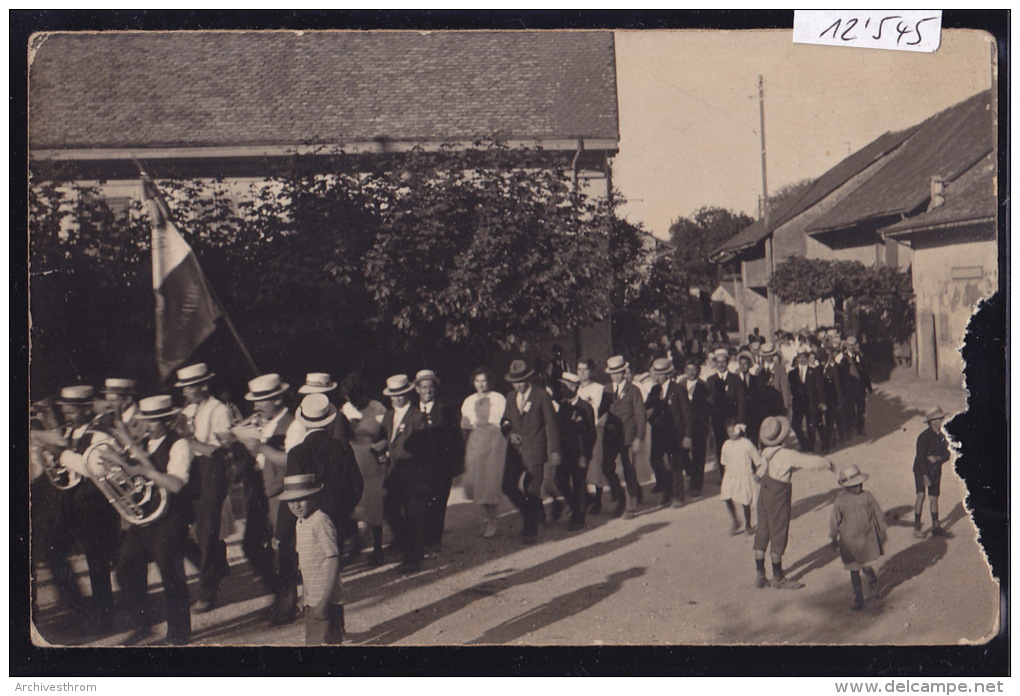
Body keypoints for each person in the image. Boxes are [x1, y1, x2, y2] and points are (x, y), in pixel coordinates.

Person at [102, 395, 193, 645]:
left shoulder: (179, 444)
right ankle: (144, 624)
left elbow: (175, 484)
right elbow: (132, 477)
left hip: (169, 520)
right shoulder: (143, 443)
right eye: (145, 420)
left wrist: (143, 470)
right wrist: (117, 462)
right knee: (125, 569)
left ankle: (179, 633)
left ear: (166, 421)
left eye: (153, 421)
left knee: (171, 577)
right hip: (143, 519)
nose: (147, 425)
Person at [34, 385, 120, 633]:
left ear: (85, 409)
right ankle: (77, 609)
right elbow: (63, 469)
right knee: (53, 551)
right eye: (65, 410)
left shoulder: (100, 436)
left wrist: (60, 454)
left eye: (72, 410)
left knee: (97, 562)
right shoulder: (69, 431)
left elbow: (94, 469)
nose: (67, 415)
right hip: (70, 504)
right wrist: (50, 456)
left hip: (94, 506)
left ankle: (104, 620)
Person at [233, 373, 306, 622]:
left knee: (285, 550)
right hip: (260, 494)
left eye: (261, 400)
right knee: (251, 545)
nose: (256, 406)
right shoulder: (259, 422)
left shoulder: (293, 424)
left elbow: (294, 460)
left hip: (283, 493)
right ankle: (279, 592)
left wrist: (262, 448)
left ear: (277, 399)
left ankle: (286, 603)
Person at [753, 415, 836, 590]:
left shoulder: (765, 452)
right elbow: (808, 462)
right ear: (783, 436)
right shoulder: (787, 454)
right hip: (778, 495)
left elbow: (759, 473)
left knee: (763, 530)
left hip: (764, 494)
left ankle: (760, 573)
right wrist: (826, 462)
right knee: (778, 532)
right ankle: (778, 577)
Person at [174, 363, 232, 613]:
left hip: (211, 472)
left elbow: (219, 451)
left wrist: (187, 438)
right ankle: (218, 565)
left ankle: (207, 592)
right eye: (184, 387)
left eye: (189, 387)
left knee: (206, 533)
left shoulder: (219, 410)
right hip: (190, 473)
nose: (185, 391)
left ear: (204, 385)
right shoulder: (187, 410)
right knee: (183, 530)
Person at [282, 394, 364, 565]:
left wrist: (283, 529)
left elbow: (293, 493)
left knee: (315, 565)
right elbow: (357, 484)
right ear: (328, 421)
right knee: (334, 561)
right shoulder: (342, 447)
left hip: (310, 519)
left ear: (303, 422)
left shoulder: (297, 453)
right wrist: (346, 508)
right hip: (339, 515)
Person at [279, 474, 345, 645]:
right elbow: (307, 566)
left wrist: (325, 600)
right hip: (313, 597)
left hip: (325, 597)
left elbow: (333, 559)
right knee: (315, 639)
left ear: (314, 497)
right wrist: (304, 595)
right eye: (291, 501)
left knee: (325, 641)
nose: (296, 505)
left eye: (302, 499)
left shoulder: (320, 520)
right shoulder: (301, 522)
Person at [500, 359, 561, 544]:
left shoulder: (541, 395)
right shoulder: (510, 397)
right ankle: (532, 513)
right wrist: (510, 434)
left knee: (531, 488)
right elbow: (504, 421)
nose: (518, 385)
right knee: (507, 485)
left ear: (529, 379)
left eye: (521, 381)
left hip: (535, 448)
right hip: (515, 451)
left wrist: (555, 450)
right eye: (514, 382)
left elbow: (552, 424)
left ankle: (530, 529)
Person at [337, 372, 388, 565]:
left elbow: (386, 434)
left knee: (374, 501)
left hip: (372, 458)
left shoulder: (377, 408)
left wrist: (380, 446)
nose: (351, 401)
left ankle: (377, 547)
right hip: (351, 458)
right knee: (352, 500)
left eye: (353, 397)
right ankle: (354, 541)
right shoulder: (346, 409)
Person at [380, 374, 429, 573]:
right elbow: (383, 438)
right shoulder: (388, 415)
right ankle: (403, 542)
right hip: (393, 471)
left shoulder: (417, 417)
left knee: (413, 515)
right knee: (389, 509)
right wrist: (381, 452)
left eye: (400, 394)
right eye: (393, 395)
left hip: (412, 473)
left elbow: (425, 449)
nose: (396, 398)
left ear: (407, 393)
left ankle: (414, 557)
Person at [415, 369, 464, 555]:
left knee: (437, 503)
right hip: (419, 468)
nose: (428, 390)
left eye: (430, 387)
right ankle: (422, 540)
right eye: (424, 387)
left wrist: (456, 464)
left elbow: (457, 438)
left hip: (440, 467)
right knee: (421, 504)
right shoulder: (412, 411)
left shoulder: (445, 410)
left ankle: (434, 541)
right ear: (417, 390)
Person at [829, 464, 886, 611]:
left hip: (867, 538)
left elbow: (877, 513)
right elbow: (835, 519)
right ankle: (858, 597)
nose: (858, 486)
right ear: (846, 487)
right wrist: (833, 537)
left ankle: (873, 586)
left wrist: (882, 530)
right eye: (854, 485)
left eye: (860, 483)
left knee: (866, 567)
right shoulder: (841, 500)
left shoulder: (867, 496)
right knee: (854, 570)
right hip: (849, 541)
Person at [460, 367, 508, 538]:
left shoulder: (498, 398)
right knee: (475, 480)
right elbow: (465, 425)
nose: (481, 384)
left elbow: (502, 421)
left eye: (484, 381)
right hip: (476, 441)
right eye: (477, 381)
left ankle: (493, 521)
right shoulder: (468, 400)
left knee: (490, 481)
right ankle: (486, 517)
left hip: (493, 440)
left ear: (489, 382)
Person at [603, 355, 646, 519]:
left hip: (628, 437)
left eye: (619, 372)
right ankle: (620, 497)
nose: (616, 376)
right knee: (606, 466)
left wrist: (639, 438)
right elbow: (603, 411)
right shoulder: (606, 389)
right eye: (613, 373)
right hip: (611, 436)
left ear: (623, 372)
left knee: (629, 470)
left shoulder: (633, 390)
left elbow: (640, 415)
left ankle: (630, 506)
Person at [555, 372, 596, 531]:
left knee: (579, 484)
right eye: (562, 385)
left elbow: (591, 434)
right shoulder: (563, 405)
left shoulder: (586, 407)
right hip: (565, 452)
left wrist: (585, 455)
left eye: (566, 385)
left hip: (579, 453)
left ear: (575, 387)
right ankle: (576, 505)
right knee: (559, 480)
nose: (563, 389)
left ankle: (578, 518)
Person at [645, 357, 684, 507]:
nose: (657, 376)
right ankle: (667, 490)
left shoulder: (677, 389)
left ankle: (679, 496)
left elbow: (685, 413)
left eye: (661, 373)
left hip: (674, 433)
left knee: (675, 464)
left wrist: (686, 435)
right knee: (655, 460)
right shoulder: (655, 390)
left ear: (668, 374)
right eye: (656, 373)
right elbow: (647, 407)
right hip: (658, 432)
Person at [913, 406, 953, 539]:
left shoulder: (941, 437)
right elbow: (920, 459)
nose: (942, 420)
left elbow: (947, 454)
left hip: (935, 470)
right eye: (940, 418)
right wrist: (924, 475)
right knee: (921, 496)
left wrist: (938, 458)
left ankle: (936, 526)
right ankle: (917, 527)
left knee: (934, 498)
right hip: (921, 469)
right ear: (932, 421)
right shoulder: (923, 437)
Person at [577, 358, 610, 514]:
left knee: (596, 464)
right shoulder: (577, 389)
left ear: (591, 371)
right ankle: (584, 500)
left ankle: (597, 500)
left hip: (595, 429)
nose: (581, 373)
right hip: (579, 432)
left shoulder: (599, 389)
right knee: (580, 465)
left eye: (585, 370)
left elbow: (603, 410)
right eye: (579, 370)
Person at [676, 357, 711, 499]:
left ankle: (696, 485)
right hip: (683, 426)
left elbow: (709, 405)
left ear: (698, 371)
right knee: (682, 454)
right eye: (688, 370)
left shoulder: (704, 386)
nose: (691, 373)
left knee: (698, 455)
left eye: (694, 370)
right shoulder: (680, 384)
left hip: (699, 425)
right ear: (685, 371)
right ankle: (690, 472)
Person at [719, 419, 762, 536]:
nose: (731, 434)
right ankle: (735, 520)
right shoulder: (726, 445)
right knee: (726, 496)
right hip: (730, 475)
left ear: (739, 430)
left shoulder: (746, 443)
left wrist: (758, 474)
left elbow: (758, 460)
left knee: (745, 501)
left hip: (744, 475)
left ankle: (748, 525)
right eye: (728, 432)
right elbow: (724, 462)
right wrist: (725, 477)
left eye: (733, 431)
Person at [706, 348, 744, 478]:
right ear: (715, 363)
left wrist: (740, 420)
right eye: (718, 362)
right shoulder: (710, 381)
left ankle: (738, 475)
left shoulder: (735, 379)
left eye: (723, 362)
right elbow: (709, 403)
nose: (721, 365)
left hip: (733, 421)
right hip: (718, 422)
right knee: (721, 449)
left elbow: (741, 401)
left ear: (727, 362)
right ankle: (725, 477)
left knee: (736, 448)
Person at [788, 347, 826, 453]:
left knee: (811, 426)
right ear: (797, 358)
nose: (802, 360)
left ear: (807, 357)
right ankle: (803, 443)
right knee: (795, 424)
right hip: (798, 403)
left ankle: (810, 449)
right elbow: (790, 389)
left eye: (804, 357)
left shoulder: (814, 371)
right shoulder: (792, 373)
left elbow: (820, 387)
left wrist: (822, 402)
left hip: (811, 403)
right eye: (800, 357)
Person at [734, 350, 762, 446]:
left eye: (745, 364)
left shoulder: (755, 379)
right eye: (740, 364)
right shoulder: (735, 378)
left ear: (750, 365)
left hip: (753, 413)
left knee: (753, 436)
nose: (742, 366)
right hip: (740, 412)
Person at [758, 342, 791, 419]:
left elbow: (784, 387)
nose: (768, 358)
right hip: (764, 404)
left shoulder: (780, 369)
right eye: (765, 356)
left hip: (777, 403)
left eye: (770, 355)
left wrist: (785, 405)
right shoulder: (759, 370)